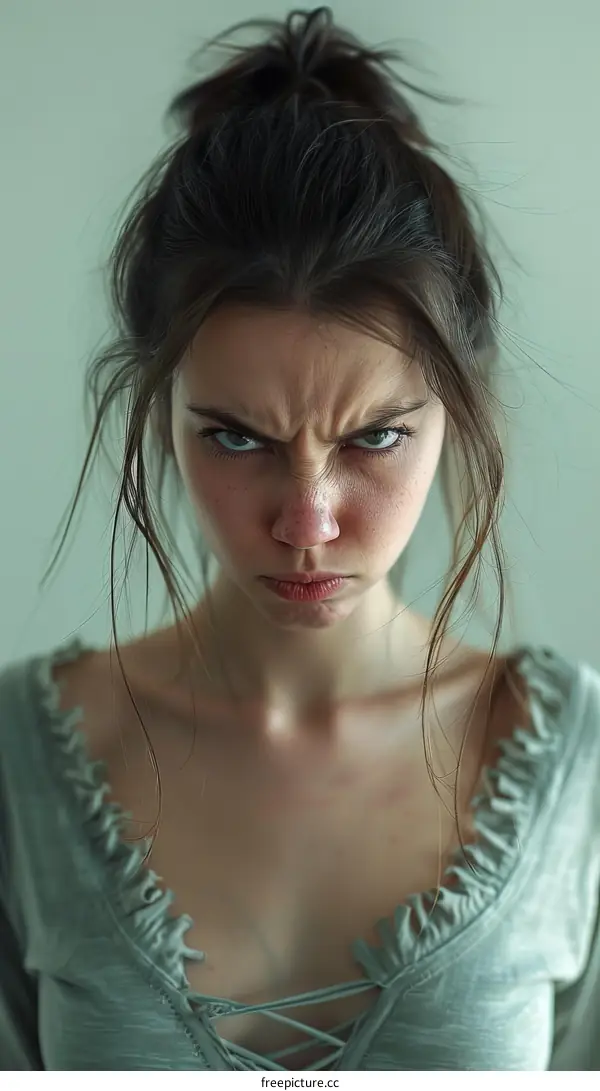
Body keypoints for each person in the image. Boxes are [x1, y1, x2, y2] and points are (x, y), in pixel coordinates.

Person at [1, 6, 599, 1073]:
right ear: (159, 408)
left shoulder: (577, 767)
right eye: (237, 437)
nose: (307, 520)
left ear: (455, 414)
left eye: (375, 437)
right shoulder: (16, 760)